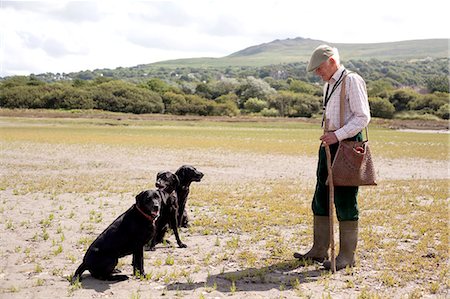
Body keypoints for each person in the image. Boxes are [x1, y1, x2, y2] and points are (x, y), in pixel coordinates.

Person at [293, 45, 371, 270]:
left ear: (332, 62)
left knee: (345, 198)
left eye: (319, 68)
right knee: (321, 195)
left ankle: (347, 256)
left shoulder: (351, 80)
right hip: (329, 145)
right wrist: (330, 138)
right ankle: (319, 250)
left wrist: (336, 136)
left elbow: (362, 117)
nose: (318, 73)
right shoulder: (329, 84)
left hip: (346, 146)